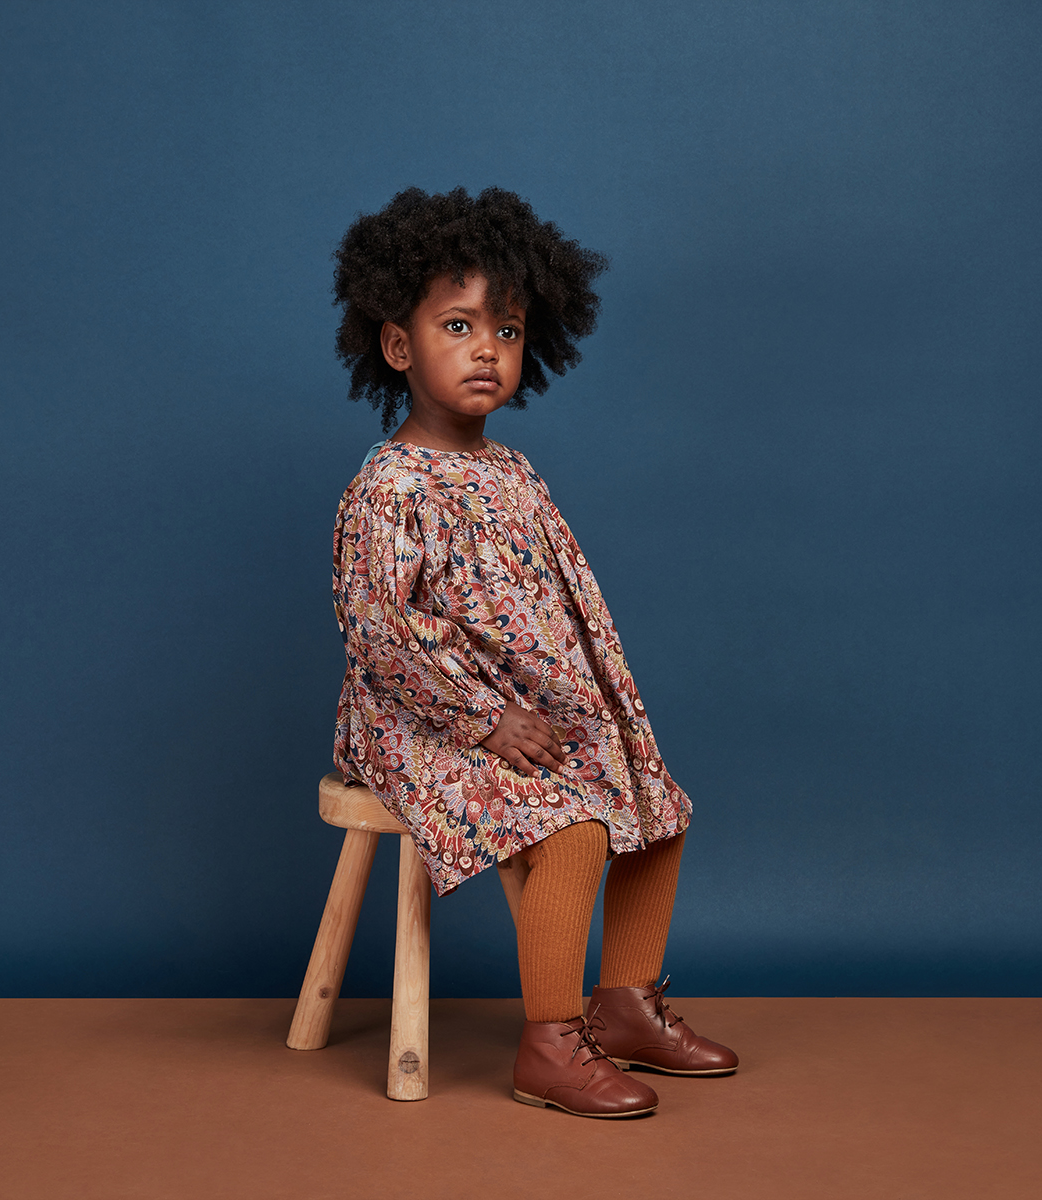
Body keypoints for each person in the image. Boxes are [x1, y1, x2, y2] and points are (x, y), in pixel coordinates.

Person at [327, 187, 737, 1118]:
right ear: (400, 346)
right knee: (576, 822)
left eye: (506, 331)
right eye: (459, 324)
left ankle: (626, 1004)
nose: (486, 349)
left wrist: (598, 712)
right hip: (419, 720)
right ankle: (549, 1042)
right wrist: (486, 717)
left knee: (652, 800)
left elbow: (565, 603)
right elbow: (382, 631)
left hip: (518, 713)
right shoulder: (390, 488)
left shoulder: (511, 472)